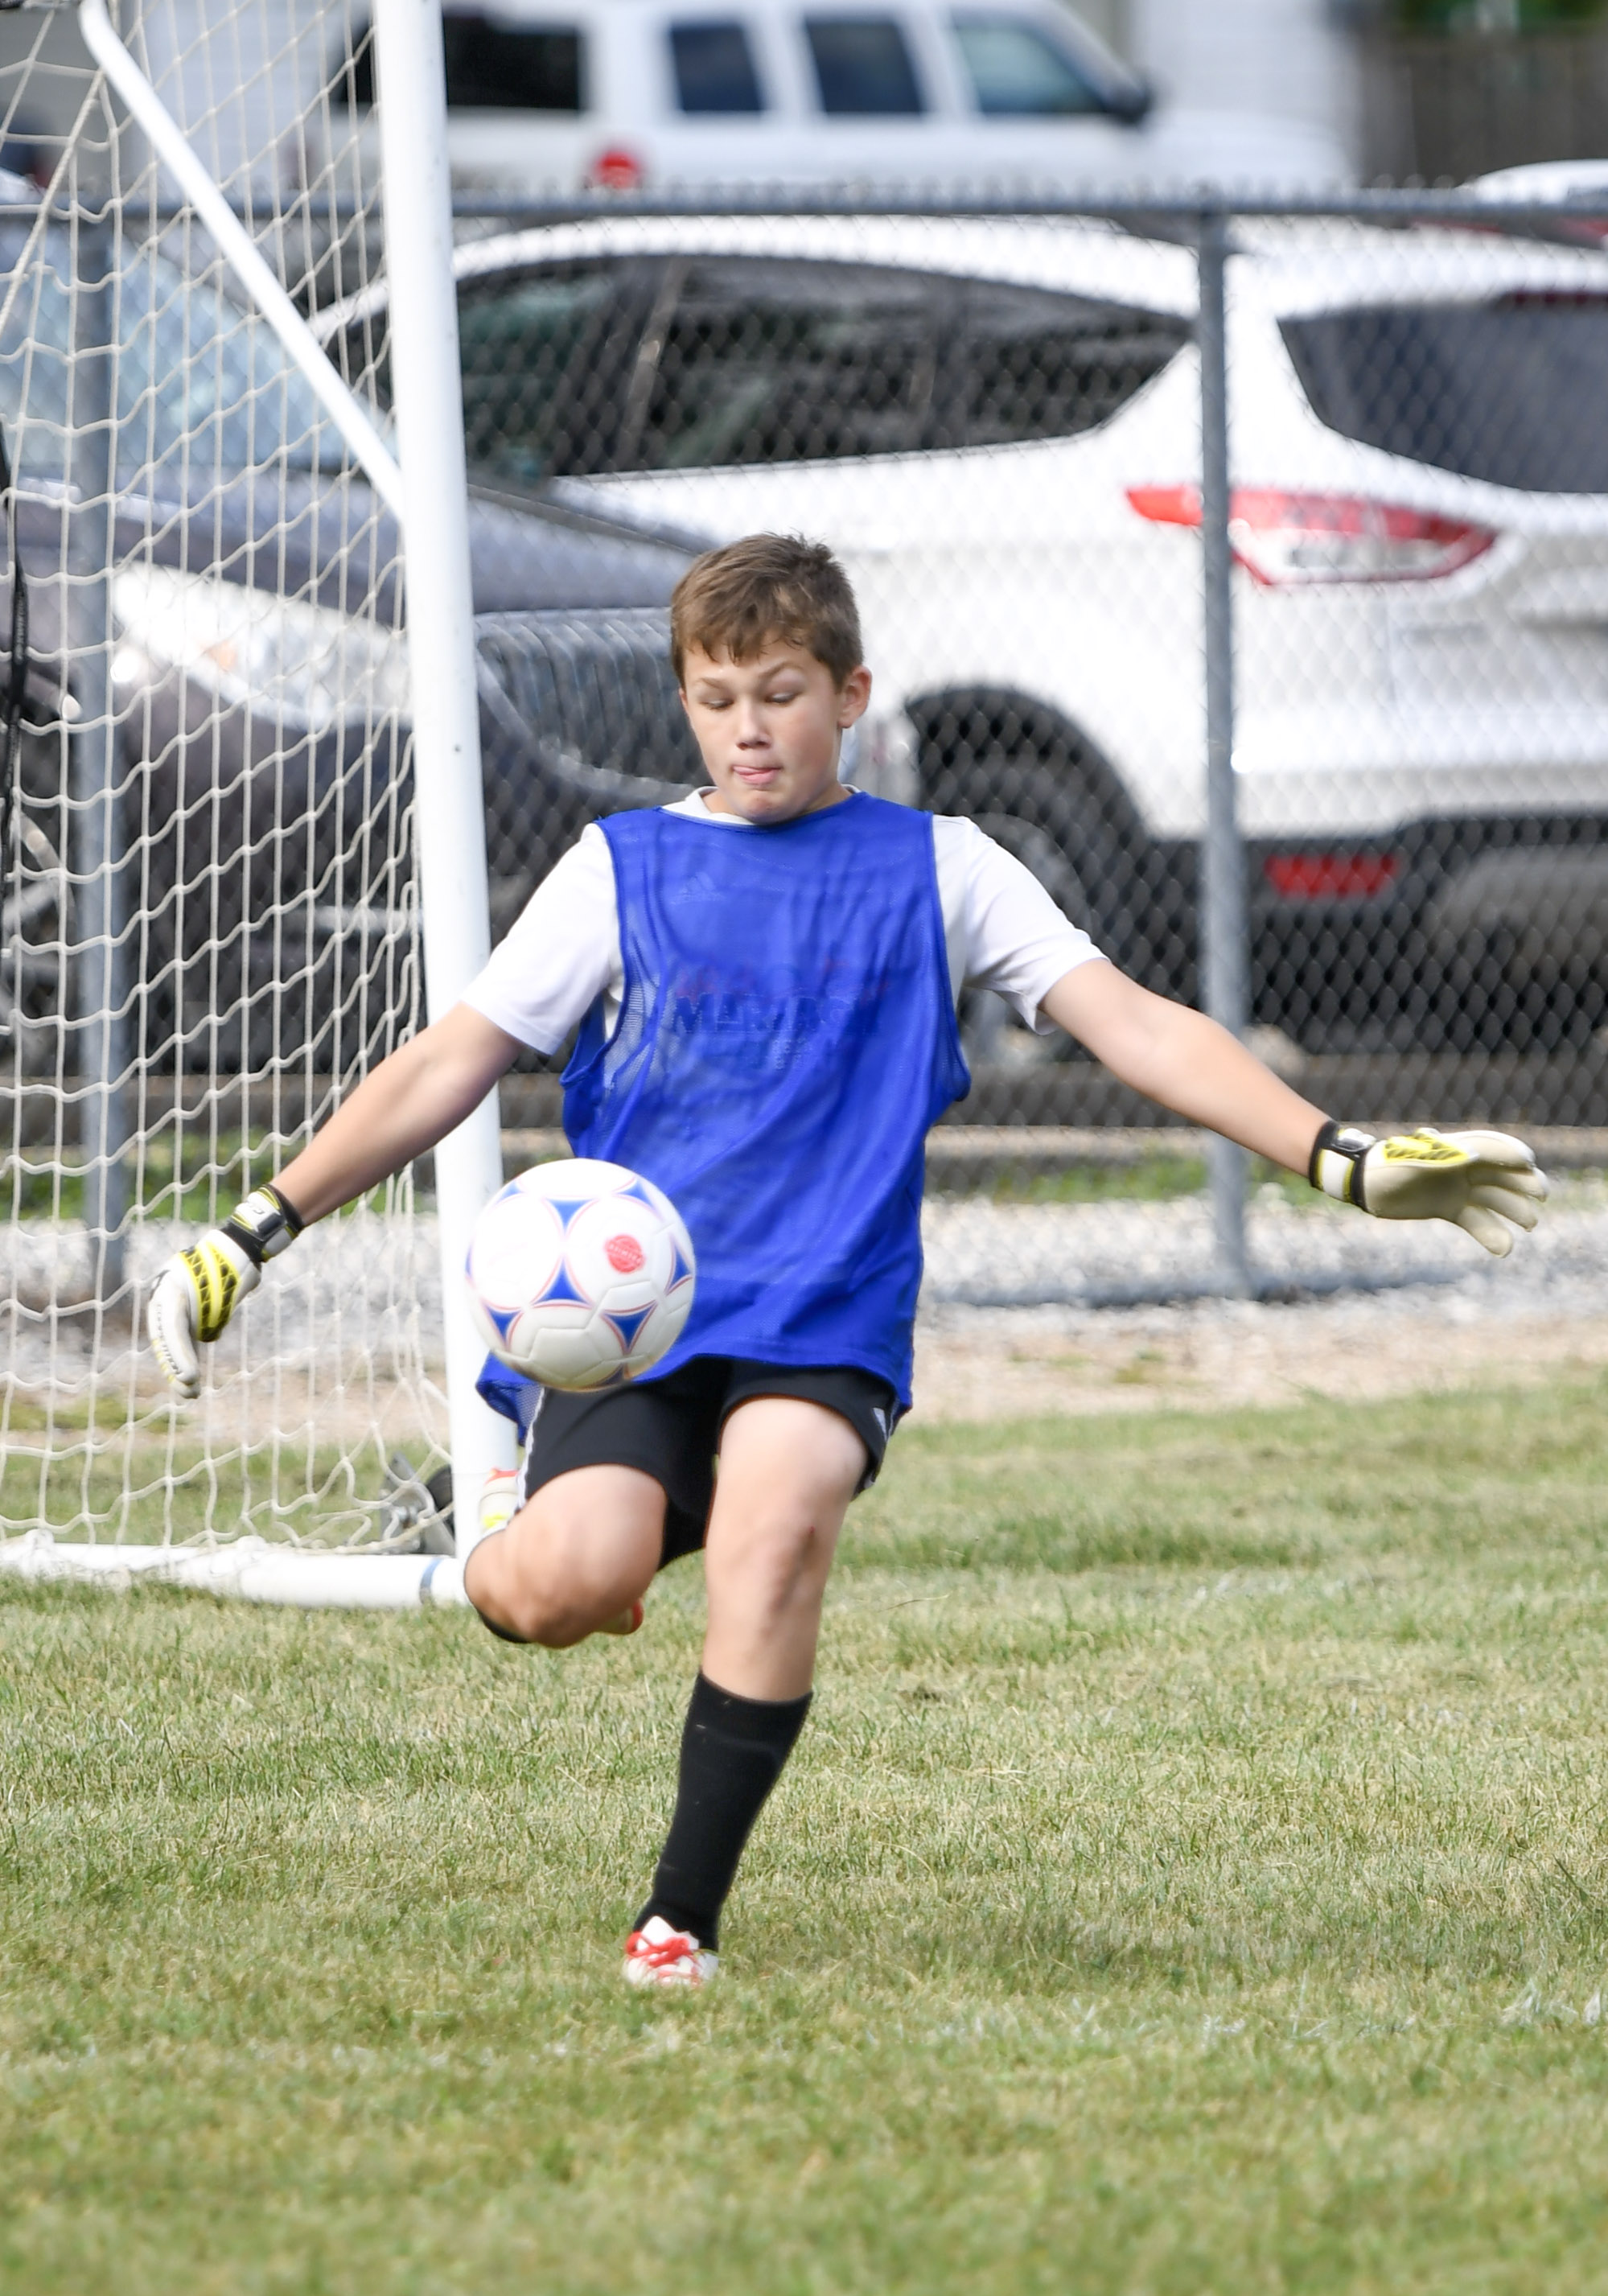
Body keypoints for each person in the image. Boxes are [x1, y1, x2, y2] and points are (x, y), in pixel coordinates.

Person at [146, 534, 1548, 1989]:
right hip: (631, 1329)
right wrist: (258, 1226)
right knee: (557, 1591)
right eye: (716, 700)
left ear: (851, 694)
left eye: (781, 693)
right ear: (685, 704)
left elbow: (1137, 1024)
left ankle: (678, 1921)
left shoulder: (946, 867)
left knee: (779, 1523)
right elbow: (451, 1061)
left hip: (824, 1317)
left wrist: (1342, 1155)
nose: (749, 729)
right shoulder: (620, 867)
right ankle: (496, 1497)